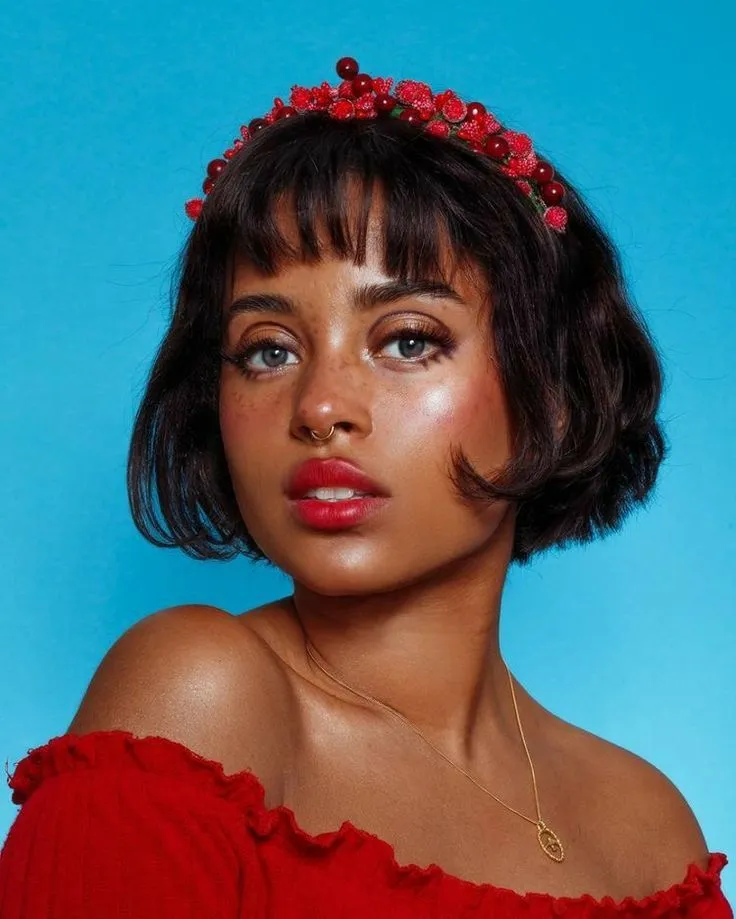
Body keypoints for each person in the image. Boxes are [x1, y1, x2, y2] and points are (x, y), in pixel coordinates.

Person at [0, 56, 731, 918]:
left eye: (409, 340)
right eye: (268, 348)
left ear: (556, 398)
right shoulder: (196, 698)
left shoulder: (650, 829)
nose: (319, 406)